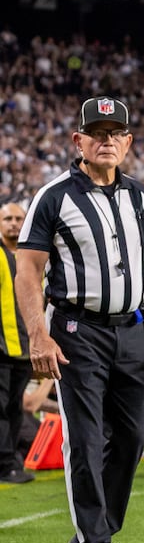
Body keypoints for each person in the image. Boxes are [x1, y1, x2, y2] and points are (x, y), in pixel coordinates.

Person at [16, 95, 144, 543]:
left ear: (129, 143)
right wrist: (39, 334)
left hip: (132, 330)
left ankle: (93, 541)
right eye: (97, 132)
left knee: (134, 437)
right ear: (80, 141)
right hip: (77, 330)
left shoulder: (142, 198)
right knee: (86, 439)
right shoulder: (53, 196)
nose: (106, 140)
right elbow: (27, 269)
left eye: (116, 133)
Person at [0, 203, 34, 483]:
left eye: (18, 218)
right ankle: (6, 465)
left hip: (24, 348)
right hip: (2, 348)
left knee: (14, 408)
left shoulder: (32, 255)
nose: (13, 223)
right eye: (7, 219)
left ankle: (11, 462)